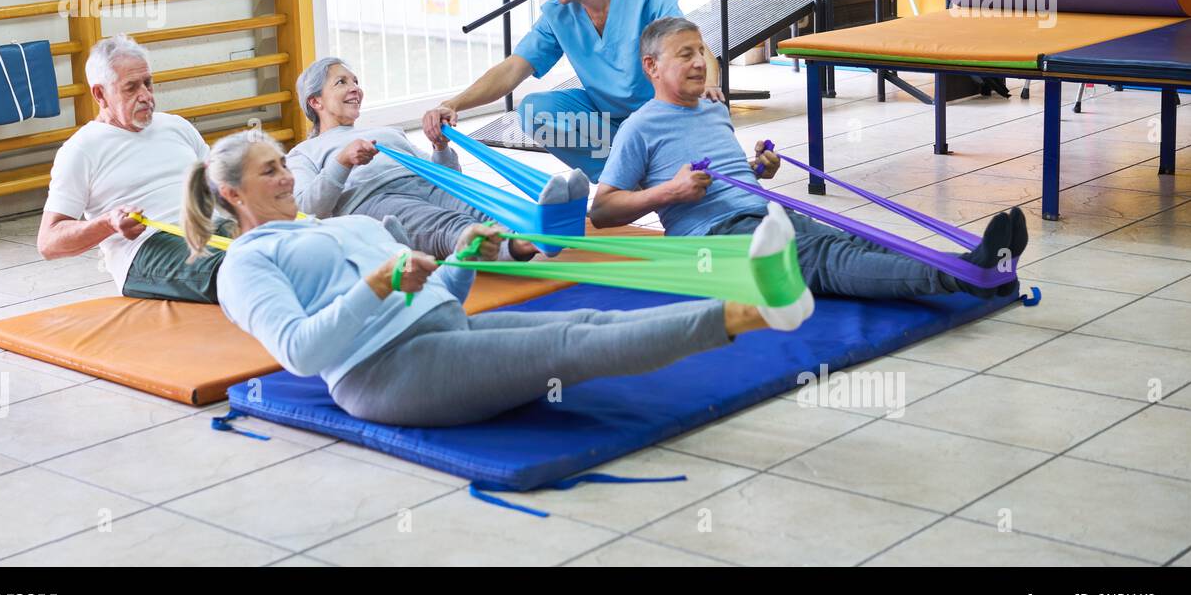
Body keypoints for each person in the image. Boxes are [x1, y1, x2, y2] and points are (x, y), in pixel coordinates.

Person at [186, 129, 807, 428]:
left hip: (443, 330)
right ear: (232, 194)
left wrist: (460, 264)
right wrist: (375, 285)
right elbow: (298, 353)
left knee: (585, 322)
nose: (287, 178)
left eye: (281, 165)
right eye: (271, 171)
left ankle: (756, 297)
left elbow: (435, 300)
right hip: (384, 374)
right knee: (572, 346)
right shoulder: (244, 264)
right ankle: (754, 304)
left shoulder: (325, 226)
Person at [590, 17, 1029, 300]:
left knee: (856, 241)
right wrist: (671, 191)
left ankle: (981, 265)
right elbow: (603, 209)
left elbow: (732, 180)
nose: (699, 63)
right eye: (685, 55)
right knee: (826, 261)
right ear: (651, 67)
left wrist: (757, 171)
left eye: (701, 52)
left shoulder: (712, 109)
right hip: (710, 240)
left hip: (761, 214)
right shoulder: (640, 128)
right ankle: (965, 275)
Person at [421, 0, 723, 181]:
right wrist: (453, 104)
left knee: (702, 125)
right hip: (607, 121)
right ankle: (624, 179)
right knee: (534, 111)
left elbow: (693, 46)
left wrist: (709, 84)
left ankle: (643, 169)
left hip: (659, 116)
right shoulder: (559, 14)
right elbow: (513, 68)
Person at [286, 56, 550, 261]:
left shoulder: (386, 133)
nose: (355, 88)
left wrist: (440, 147)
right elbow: (308, 208)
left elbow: (450, 180)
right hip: (373, 199)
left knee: (481, 207)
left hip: (425, 185)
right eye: (341, 82)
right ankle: (518, 245)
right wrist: (342, 161)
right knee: (446, 225)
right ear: (315, 102)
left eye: (355, 81)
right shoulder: (304, 152)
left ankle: (540, 222)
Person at [37, 34, 224, 303]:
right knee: (244, 268)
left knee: (287, 247)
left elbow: (220, 185)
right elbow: (48, 243)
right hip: (150, 246)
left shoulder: (176, 126)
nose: (146, 96)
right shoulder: (80, 150)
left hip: (211, 226)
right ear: (100, 94)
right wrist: (108, 223)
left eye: (148, 83)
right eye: (131, 88)